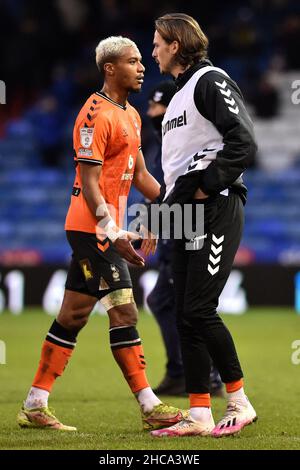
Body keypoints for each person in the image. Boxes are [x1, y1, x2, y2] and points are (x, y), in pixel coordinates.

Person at [17, 36, 185, 432]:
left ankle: (35, 403)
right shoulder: (94, 114)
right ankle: (149, 405)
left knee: (73, 315)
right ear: (110, 69)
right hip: (93, 228)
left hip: (103, 229)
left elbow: (142, 175)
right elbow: (90, 183)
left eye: (143, 60)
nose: (142, 67)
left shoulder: (130, 114)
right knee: (124, 310)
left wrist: (179, 202)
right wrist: (112, 230)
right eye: (133, 61)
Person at [148, 14, 258, 437]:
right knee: (183, 312)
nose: (153, 50)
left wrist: (208, 187)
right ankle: (198, 413)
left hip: (216, 207)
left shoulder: (210, 80)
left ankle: (239, 401)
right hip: (188, 211)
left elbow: (243, 141)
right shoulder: (177, 100)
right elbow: (177, 179)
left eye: (157, 43)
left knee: (198, 308)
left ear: (175, 44)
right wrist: (155, 222)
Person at [146, 81, 224, 398]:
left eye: (155, 107)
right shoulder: (162, 143)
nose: (150, 113)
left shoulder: (179, 139)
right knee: (171, 303)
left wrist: (155, 225)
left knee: (182, 305)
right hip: (173, 231)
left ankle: (204, 375)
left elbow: (176, 189)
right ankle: (188, 372)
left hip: (186, 228)